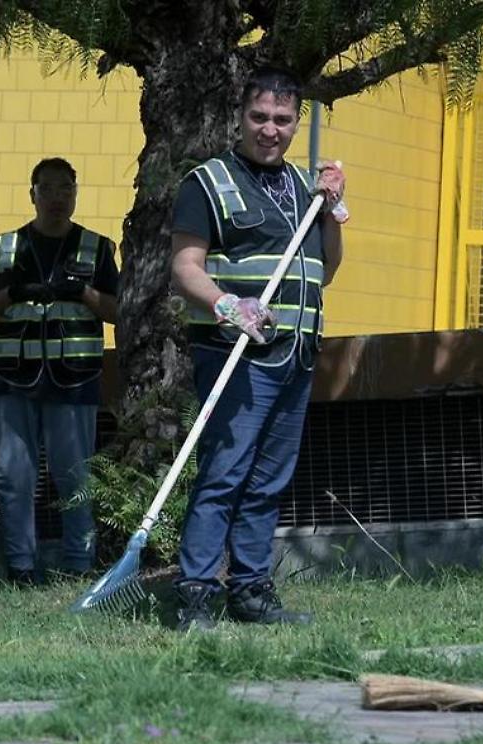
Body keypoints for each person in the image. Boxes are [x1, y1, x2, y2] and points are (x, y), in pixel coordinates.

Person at [169, 66, 347, 630]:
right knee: (224, 472)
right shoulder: (208, 182)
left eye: (283, 119)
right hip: (236, 356)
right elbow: (184, 267)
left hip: (296, 354)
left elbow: (326, 269)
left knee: (269, 479)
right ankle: (196, 592)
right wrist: (228, 305)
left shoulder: (302, 187)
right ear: (241, 116)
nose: (270, 129)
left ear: (296, 123)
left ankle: (250, 591)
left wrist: (333, 210)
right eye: (259, 117)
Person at [0, 158, 120, 585]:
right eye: (47, 188)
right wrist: (12, 292)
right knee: (12, 476)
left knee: (75, 478)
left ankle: (79, 566)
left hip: (75, 380)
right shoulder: (5, 247)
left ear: (76, 193)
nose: (57, 198)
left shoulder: (96, 248)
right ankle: (20, 568)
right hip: (14, 379)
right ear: (31, 194)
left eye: (65, 188)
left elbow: (119, 311)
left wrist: (84, 293)